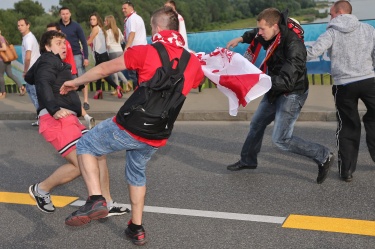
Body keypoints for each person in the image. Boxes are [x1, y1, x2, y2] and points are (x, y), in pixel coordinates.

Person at [60, 6, 204, 245]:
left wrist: (75, 82)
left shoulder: (145, 51)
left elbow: (105, 68)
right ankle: (136, 228)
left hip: (132, 124)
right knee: (136, 172)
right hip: (158, 132)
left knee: (86, 144)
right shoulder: (193, 62)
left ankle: (96, 199)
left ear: (156, 28)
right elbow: (193, 84)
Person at [25, 30, 129, 217]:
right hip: (56, 120)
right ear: (47, 47)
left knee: (98, 155)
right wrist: (54, 109)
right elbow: (42, 83)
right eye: (58, 43)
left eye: (64, 43)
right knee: (82, 164)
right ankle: (41, 189)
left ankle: (106, 203)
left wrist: (82, 110)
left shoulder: (58, 64)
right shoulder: (48, 60)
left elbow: (62, 89)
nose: (63, 46)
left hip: (69, 119)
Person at [225, 8, 334, 184]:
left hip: (291, 93)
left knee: (281, 139)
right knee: (256, 124)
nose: (259, 33)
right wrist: (241, 38)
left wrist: (256, 81)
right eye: (259, 29)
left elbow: (287, 81)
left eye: (262, 29)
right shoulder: (272, 32)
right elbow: (257, 33)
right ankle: (248, 161)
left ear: (275, 26)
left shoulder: (294, 46)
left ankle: (323, 155)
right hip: (274, 88)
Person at [306, 0, 375, 182]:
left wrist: (291, 52)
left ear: (338, 12)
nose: (330, 17)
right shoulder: (368, 29)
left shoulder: (332, 32)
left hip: (344, 85)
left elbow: (313, 52)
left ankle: (347, 171)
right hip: (369, 81)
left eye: (330, 13)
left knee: (348, 126)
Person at [46, 23, 95, 129]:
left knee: (66, 97)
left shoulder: (62, 44)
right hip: (68, 71)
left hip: (66, 72)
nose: (49, 34)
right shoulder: (62, 43)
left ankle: (79, 121)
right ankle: (86, 117)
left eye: (52, 32)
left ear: (58, 31)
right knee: (72, 96)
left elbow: (61, 58)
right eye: (48, 32)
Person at [59, 7, 90, 110]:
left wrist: (86, 57)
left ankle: (86, 101)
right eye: (63, 14)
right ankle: (70, 101)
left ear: (70, 14)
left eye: (67, 13)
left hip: (76, 55)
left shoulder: (76, 26)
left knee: (82, 77)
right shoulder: (58, 27)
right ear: (60, 15)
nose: (65, 15)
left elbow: (84, 42)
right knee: (67, 78)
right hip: (62, 56)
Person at [87, 12, 122, 99]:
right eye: (91, 19)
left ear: (97, 20)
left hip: (101, 55)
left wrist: (80, 46)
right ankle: (98, 90)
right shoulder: (101, 29)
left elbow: (89, 41)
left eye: (94, 19)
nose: (92, 21)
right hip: (101, 54)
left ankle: (116, 87)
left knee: (101, 74)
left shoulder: (96, 29)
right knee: (99, 73)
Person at [17, 18, 40, 126]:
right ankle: (41, 118)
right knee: (34, 94)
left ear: (28, 25)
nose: (20, 27)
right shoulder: (28, 37)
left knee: (34, 95)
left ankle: (42, 119)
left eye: (22, 25)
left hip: (32, 71)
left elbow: (28, 57)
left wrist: (25, 71)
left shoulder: (28, 39)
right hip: (34, 70)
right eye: (18, 25)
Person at [122, 1, 147, 89]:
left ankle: (138, 91)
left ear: (131, 8)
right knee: (140, 73)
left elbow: (132, 33)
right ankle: (142, 91)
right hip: (142, 48)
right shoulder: (137, 17)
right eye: (122, 8)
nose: (123, 10)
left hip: (135, 48)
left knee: (133, 72)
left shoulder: (131, 19)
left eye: (125, 8)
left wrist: (127, 47)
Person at [104, 15, 132, 93]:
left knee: (114, 71)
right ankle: (126, 83)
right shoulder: (118, 30)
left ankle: (117, 88)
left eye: (105, 21)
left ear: (109, 22)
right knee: (117, 70)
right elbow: (122, 39)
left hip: (112, 51)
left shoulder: (107, 32)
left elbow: (107, 44)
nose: (104, 22)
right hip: (119, 50)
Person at [0, 30, 25, 98]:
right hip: (7, 59)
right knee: (10, 74)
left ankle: (3, 93)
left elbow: (4, 48)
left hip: (2, 60)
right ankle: (21, 86)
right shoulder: (3, 38)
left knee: (0, 76)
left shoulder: (0, 38)